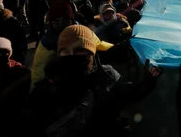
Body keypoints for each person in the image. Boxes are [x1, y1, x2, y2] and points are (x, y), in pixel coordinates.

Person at [28, 25, 161, 137]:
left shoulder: (106, 75)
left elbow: (127, 94)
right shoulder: (45, 90)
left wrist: (147, 81)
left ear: (91, 53)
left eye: (79, 50)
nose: (72, 56)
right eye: (65, 51)